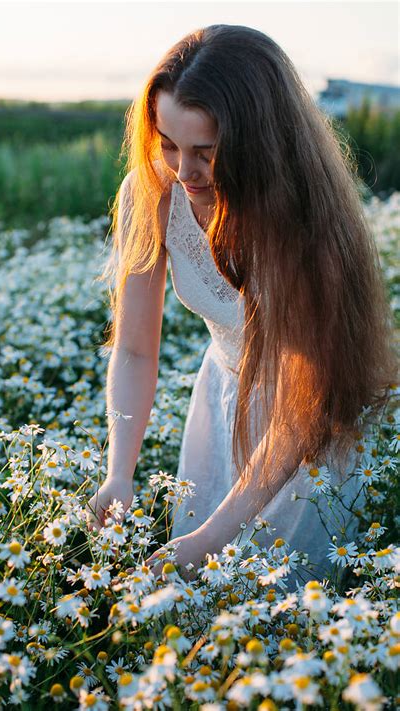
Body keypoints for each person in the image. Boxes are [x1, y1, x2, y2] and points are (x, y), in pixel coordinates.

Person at [85, 25, 397, 588]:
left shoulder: (305, 224)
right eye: (168, 143)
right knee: (199, 614)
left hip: (307, 434)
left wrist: (210, 537)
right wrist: (119, 472)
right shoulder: (151, 193)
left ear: (259, 143)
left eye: (206, 152)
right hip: (221, 404)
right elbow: (134, 347)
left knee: (280, 613)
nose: (184, 172)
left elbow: (304, 403)